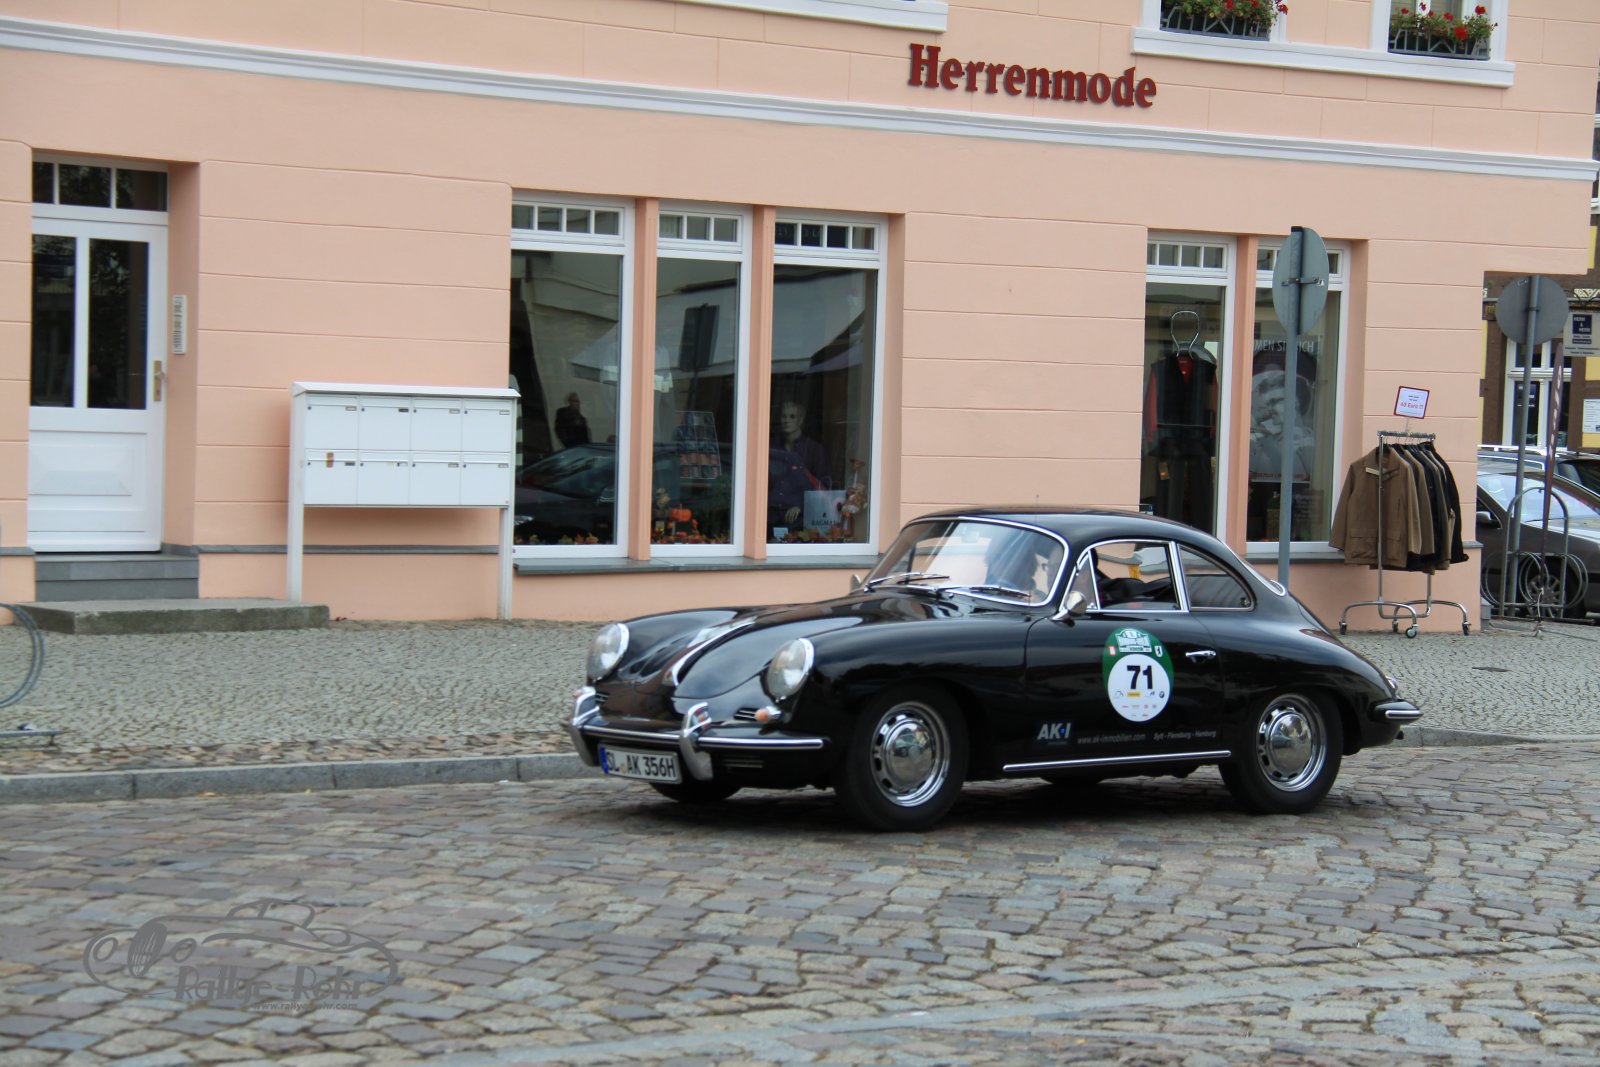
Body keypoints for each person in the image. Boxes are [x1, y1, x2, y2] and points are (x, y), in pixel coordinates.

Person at [769, 397, 829, 530]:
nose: (786, 420)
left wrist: (801, 505)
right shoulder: (771, 448)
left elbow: (822, 485)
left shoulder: (814, 450)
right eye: (784, 416)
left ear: (800, 420)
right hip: (770, 515)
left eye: (792, 416)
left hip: (800, 519)